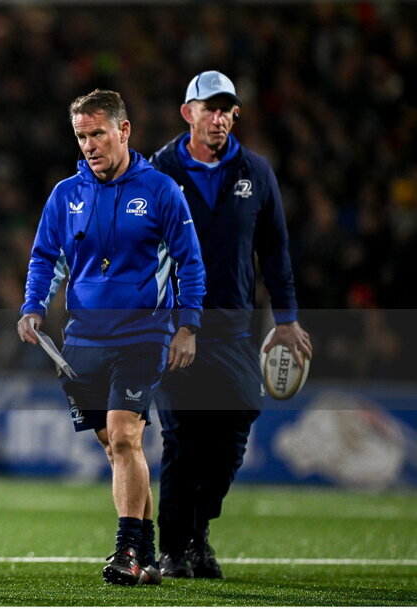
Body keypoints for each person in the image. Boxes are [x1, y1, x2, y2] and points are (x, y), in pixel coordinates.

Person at [18, 89, 205, 586]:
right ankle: (144, 554)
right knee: (114, 446)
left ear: (124, 130)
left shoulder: (163, 191)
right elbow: (44, 258)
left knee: (125, 437)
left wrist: (187, 326)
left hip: (143, 336)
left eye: (97, 133)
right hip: (82, 343)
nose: (89, 145)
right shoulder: (66, 194)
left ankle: (126, 552)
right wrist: (33, 307)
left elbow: (190, 262)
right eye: (81, 136)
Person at [149, 71, 312, 578]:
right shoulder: (157, 170)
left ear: (234, 115)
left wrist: (285, 320)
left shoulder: (257, 173)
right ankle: (176, 549)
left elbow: (277, 252)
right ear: (187, 112)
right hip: (174, 330)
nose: (218, 118)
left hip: (235, 333)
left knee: (232, 437)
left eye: (226, 110)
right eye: (209, 108)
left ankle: (198, 533)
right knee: (182, 440)